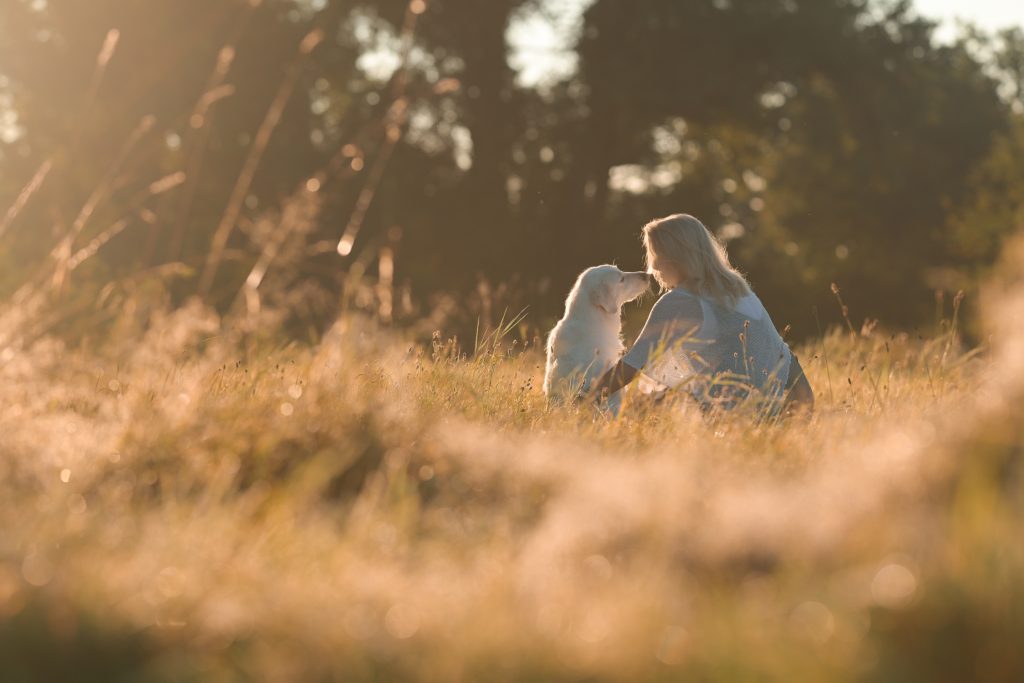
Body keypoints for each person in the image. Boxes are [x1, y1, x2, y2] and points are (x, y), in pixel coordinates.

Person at [589, 214, 814, 417]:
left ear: (674, 258)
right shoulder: (737, 287)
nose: (654, 269)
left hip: (738, 419)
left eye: (655, 257)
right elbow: (778, 354)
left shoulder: (680, 300)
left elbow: (631, 366)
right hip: (797, 397)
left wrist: (582, 398)